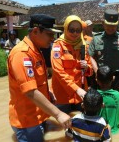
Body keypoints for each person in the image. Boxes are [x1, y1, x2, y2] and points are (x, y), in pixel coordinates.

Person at [7, 14, 71, 142]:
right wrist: (58, 114)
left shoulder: (36, 50)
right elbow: (30, 92)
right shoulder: (22, 54)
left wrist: (48, 93)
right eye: (49, 34)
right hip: (27, 121)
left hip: (38, 114)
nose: (53, 39)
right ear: (36, 31)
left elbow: (37, 81)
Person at [51, 15, 93, 114]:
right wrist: (76, 89)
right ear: (65, 28)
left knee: (82, 123)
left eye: (78, 30)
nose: (75, 33)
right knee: (63, 124)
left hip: (80, 93)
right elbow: (58, 71)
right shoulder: (58, 45)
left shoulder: (83, 45)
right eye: (71, 29)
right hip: (62, 94)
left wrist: (87, 67)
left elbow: (90, 69)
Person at [88, 9, 119, 94]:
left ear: (117, 25)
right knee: (97, 104)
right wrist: (97, 72)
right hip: (99, 79)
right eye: (108, 25)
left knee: (115, 103)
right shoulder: (96, 38)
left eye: (113, 26)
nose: (110, 28)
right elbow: (91, 57)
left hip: (116, 79)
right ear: (103, 24)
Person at [97, 65, 119, 134]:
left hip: (98, 132)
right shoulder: (117, 95)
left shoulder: (93, 95)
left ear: (97, 80)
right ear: (113, 79)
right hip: (115, 131)